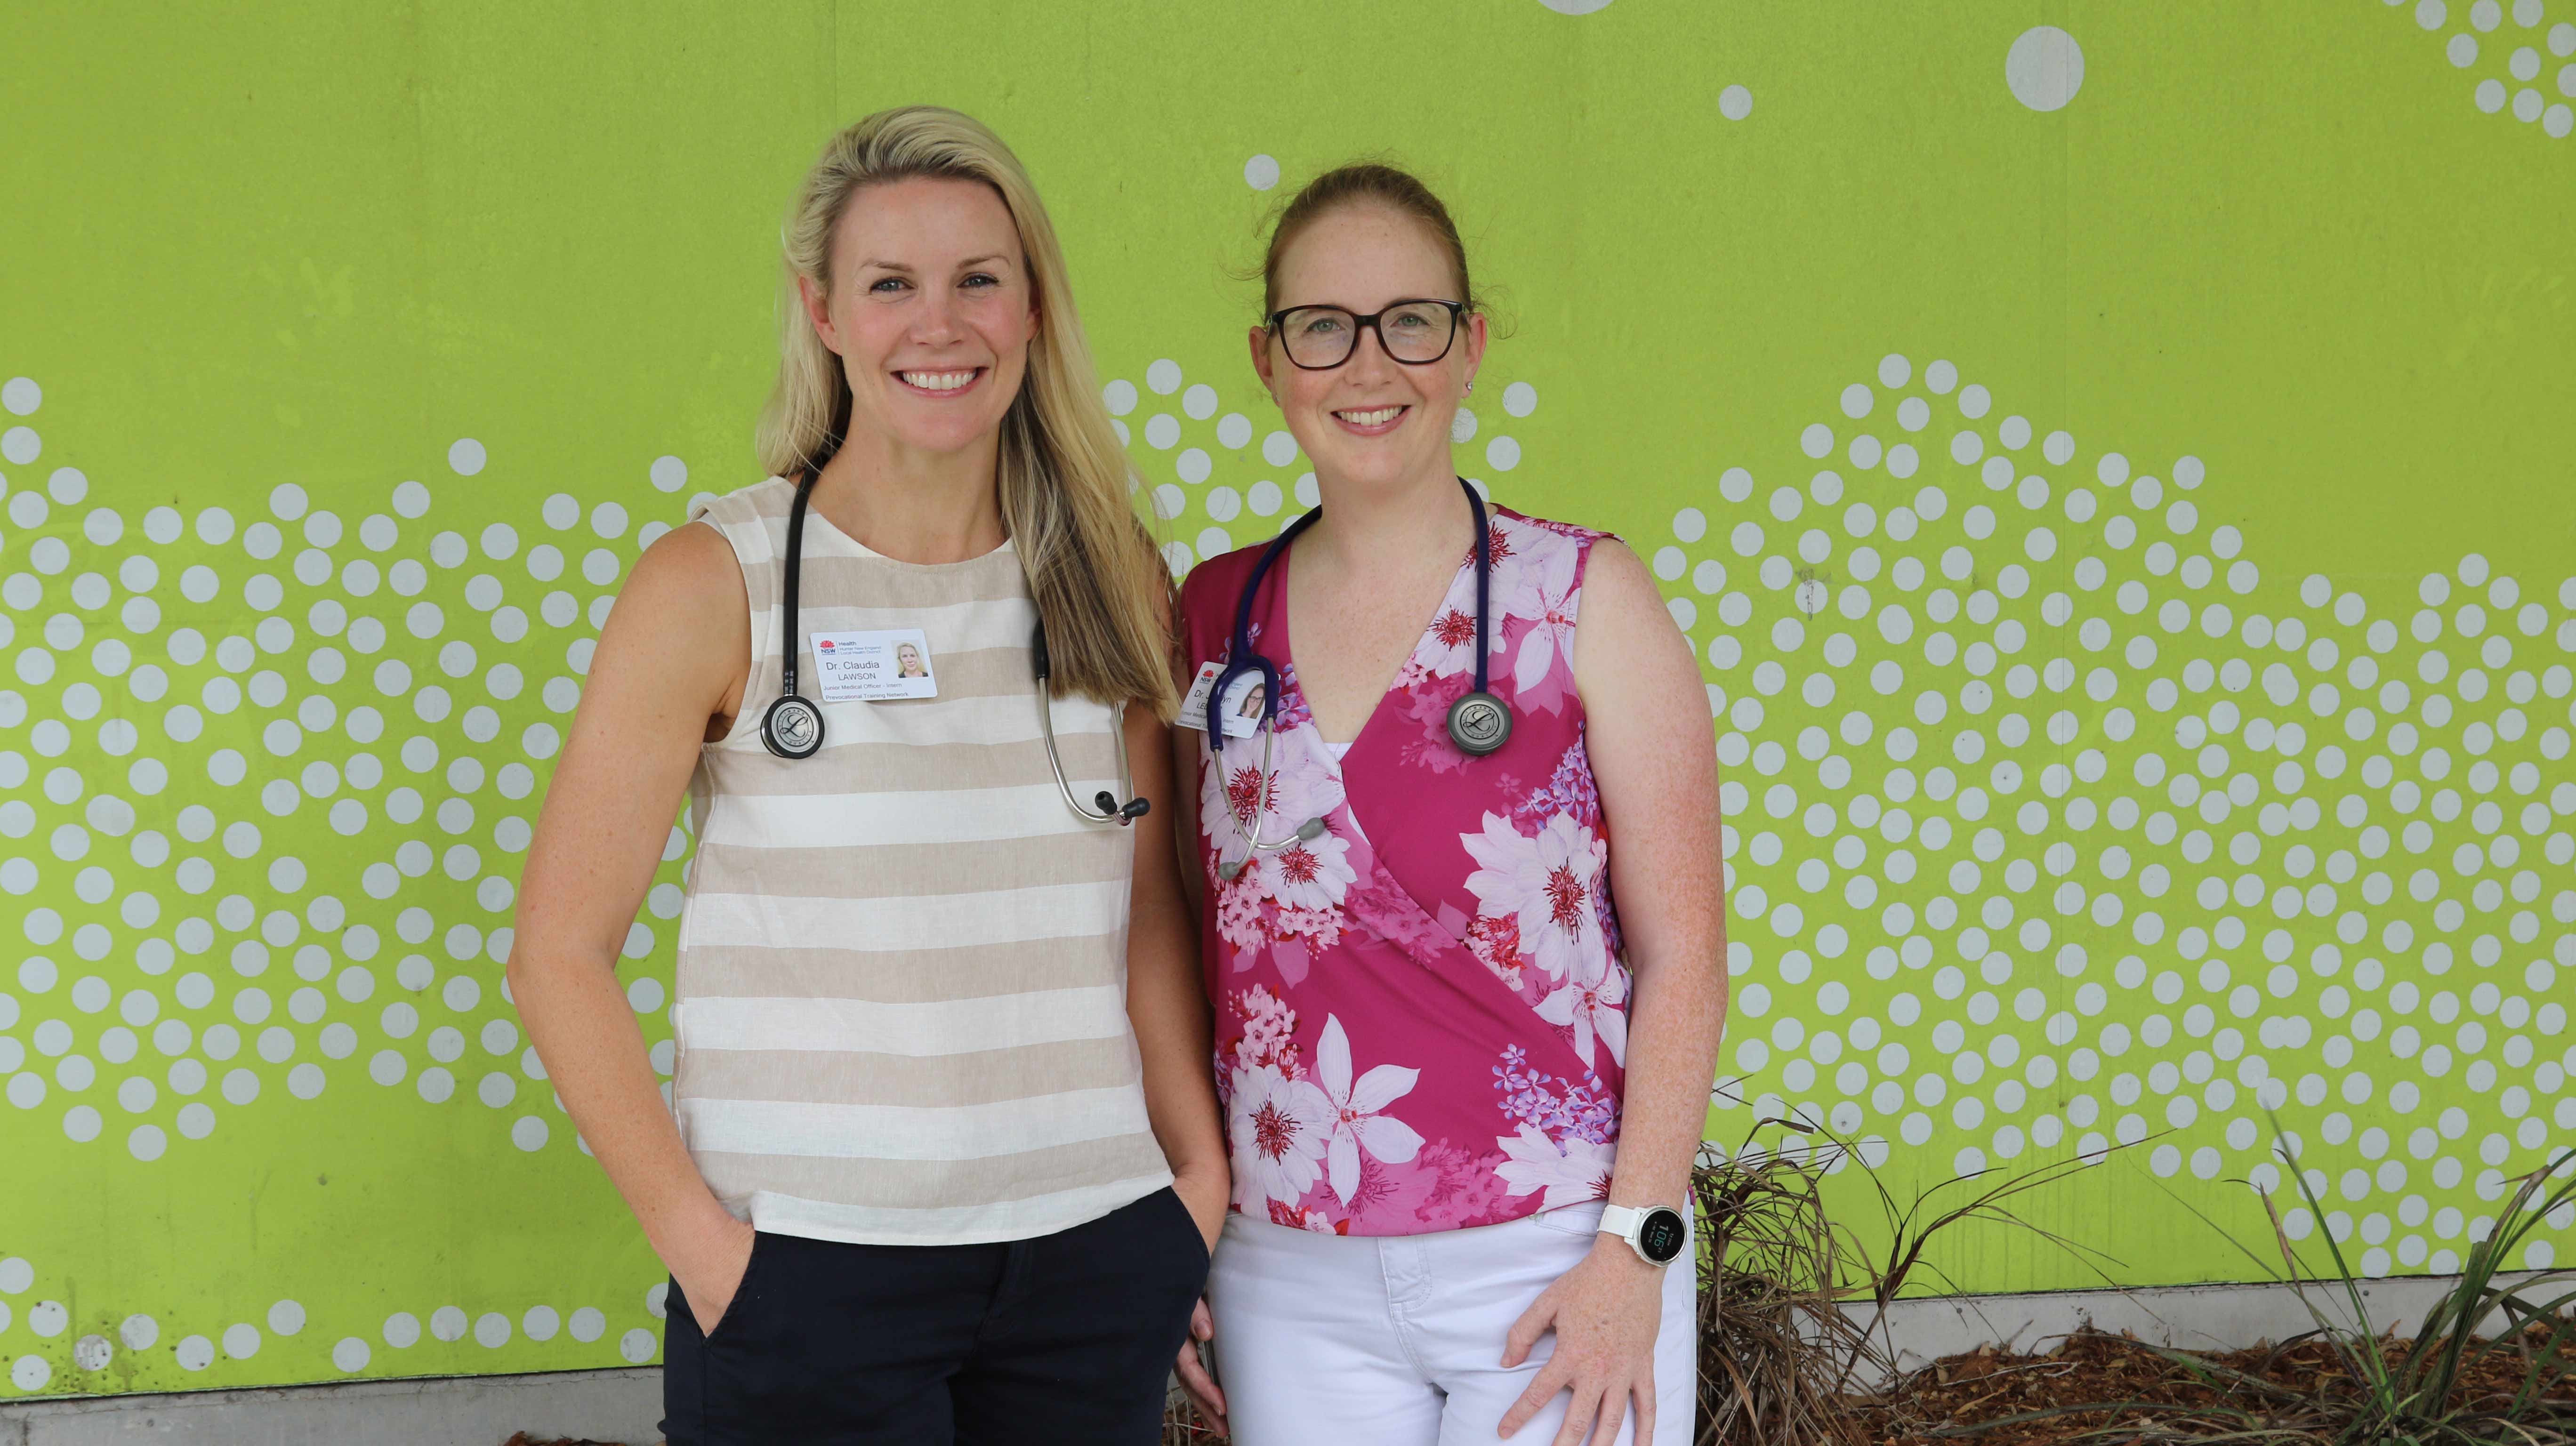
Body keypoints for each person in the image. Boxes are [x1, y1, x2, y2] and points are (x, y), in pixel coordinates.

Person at [509, 106, 1226, 1445]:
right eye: (890, 284)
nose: (936, 325)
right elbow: (558, 951)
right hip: (811, 1277)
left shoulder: (1108, 573)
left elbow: (1145, 907)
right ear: (823, 313)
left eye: (978, 280)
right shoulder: (712, 585)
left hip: (1093, 1255)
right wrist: (716, 1261)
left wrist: (1193, 1188)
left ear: (1032, 309)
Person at [1167, 163, 1728, 1446]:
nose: (1370, 366)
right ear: (1269, 359)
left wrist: (1634, 1251)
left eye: (1410, 321)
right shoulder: (1212, 616)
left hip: (1551, 1260)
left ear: (1469, 346)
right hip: (1285, 1268)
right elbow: (1195, 942)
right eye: (1324, 327)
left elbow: (1684, 952)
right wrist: (1185, 1234)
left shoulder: (1585, 599)